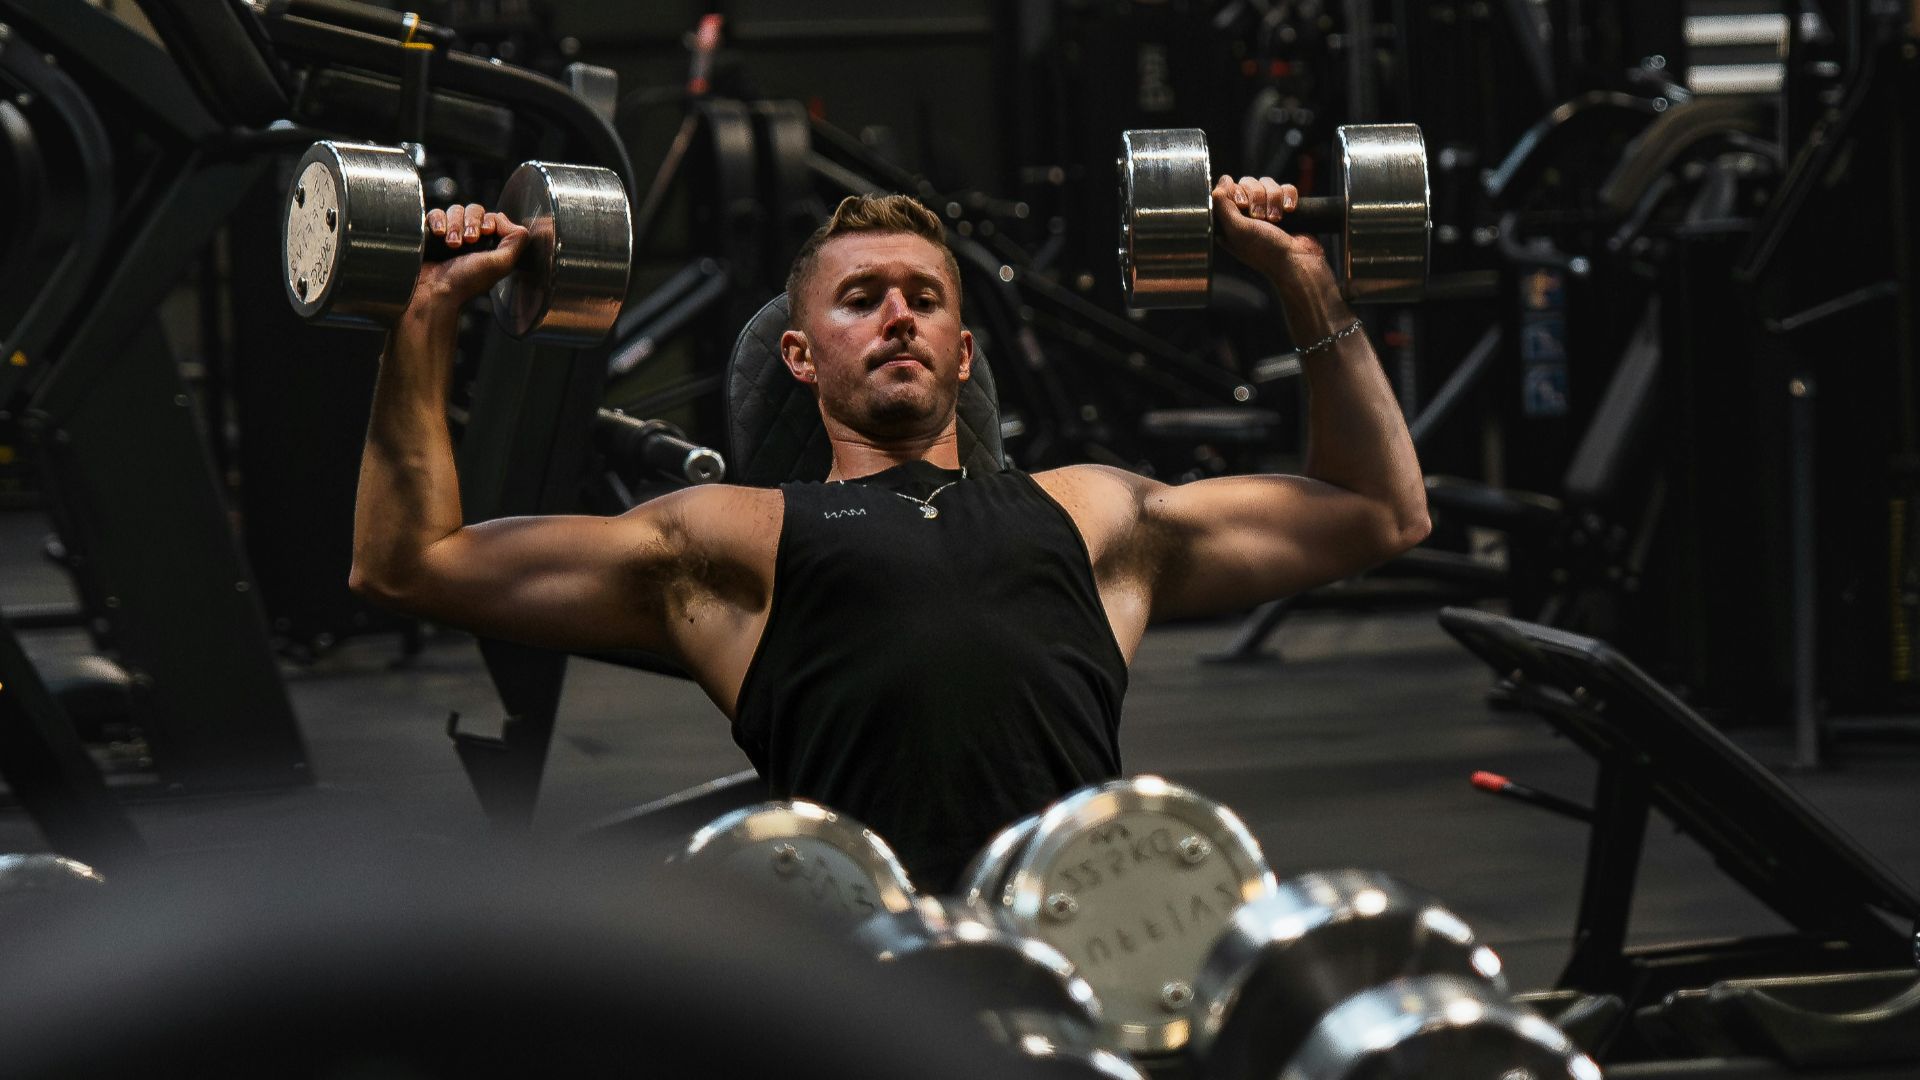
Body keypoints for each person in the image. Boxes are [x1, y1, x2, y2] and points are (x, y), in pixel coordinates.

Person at [351, 177, 1428, 889]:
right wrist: (428, 310)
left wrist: (1301, 276)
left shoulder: (1094, 515)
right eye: (859, 298)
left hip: (1073, 951)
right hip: (865, 972)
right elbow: (408, 562)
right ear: (802, 358)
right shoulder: (733, 538)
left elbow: (1382, 511)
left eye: (923, 297)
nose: (898, 316)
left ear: (964, 356)